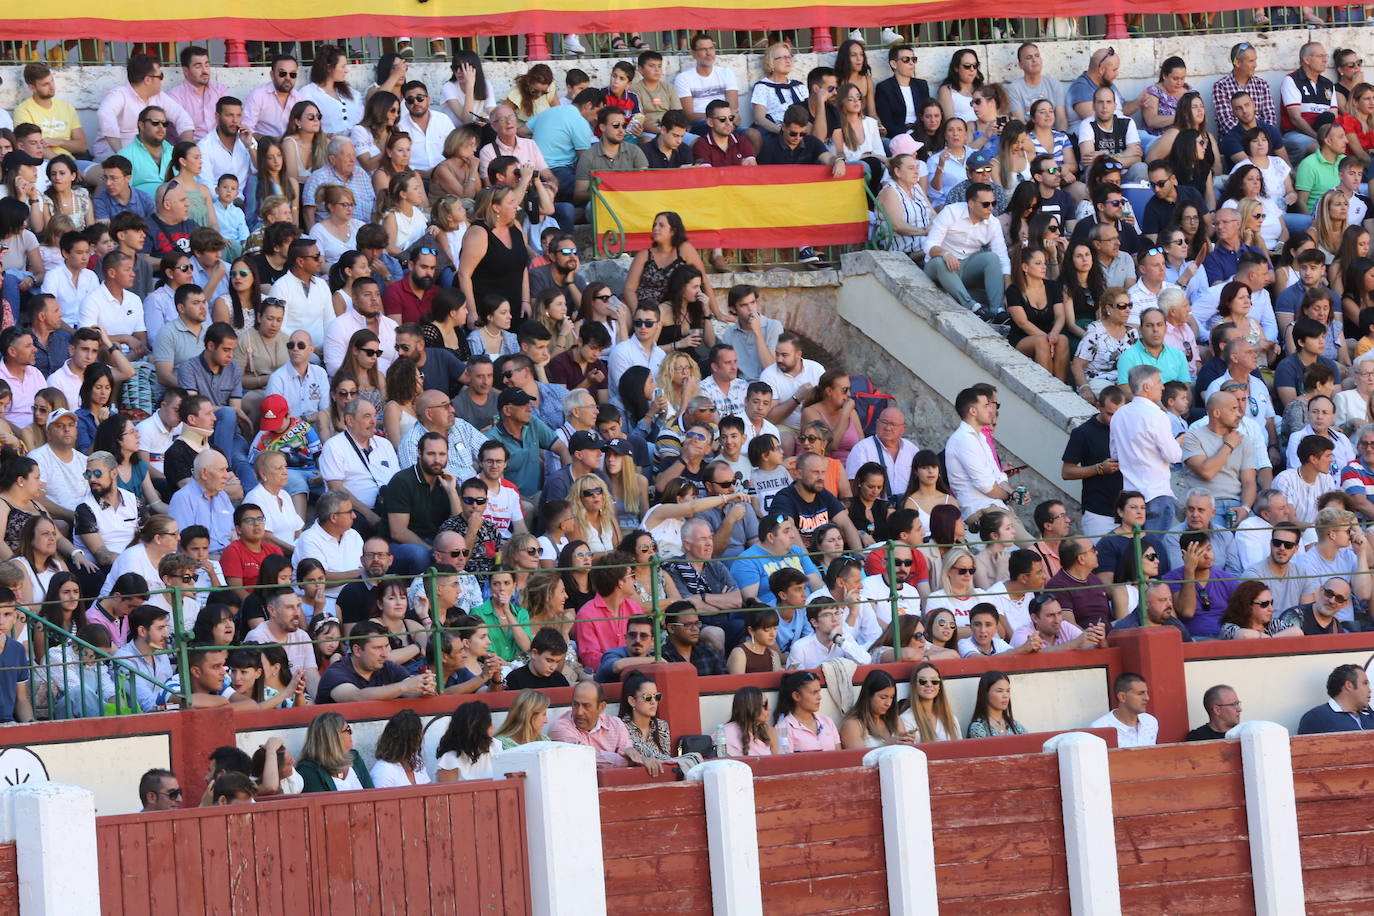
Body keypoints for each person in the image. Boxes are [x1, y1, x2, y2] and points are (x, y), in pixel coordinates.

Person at [924, 183, 1010, 317]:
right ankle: (973, 307)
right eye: (986, 204)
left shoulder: (993, 223)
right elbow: (929, 245)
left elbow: (1003, 258)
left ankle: (997, 311)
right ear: (971, 203)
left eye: (993, 203)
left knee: (992, 258)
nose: (991, 208)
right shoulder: (951, 212)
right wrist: (945, 254)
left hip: (966, 267)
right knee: (940, 262)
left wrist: (1008, 292)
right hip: (939, 267)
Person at [549, 680, 663, 772]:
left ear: (601, 707)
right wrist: (632, 761)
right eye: (575, 704)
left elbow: (628, 750)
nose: (579, 712)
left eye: (586, 706)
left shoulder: (616, 724)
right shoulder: (560, 727)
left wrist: (633, 757)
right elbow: (583, 756)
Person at [297, 711, 374, 792]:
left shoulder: (354, 758)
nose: (351, 733)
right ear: (332, 737)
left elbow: (372, 793)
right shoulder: (309, 770)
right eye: (348, 729)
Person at [435, 701, 503, 781]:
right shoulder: (449, 759)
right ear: (477, 727)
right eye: (488, 723)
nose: (493, 726)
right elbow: (447, 789)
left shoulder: (494, 745)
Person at [1297, 663, 1374, 734]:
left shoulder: (1370, 716)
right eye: (1365, 683)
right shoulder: (1316, 718)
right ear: (1349, 686)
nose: (1370, 690)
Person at [1090, 673, 1158, 748]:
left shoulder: (1150, 722)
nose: (1147, 698)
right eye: (1140, 693)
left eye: (1146, 693)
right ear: (1122, 697)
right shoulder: (1100, 728)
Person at [965, 669, 1027, 738]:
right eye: (999, 691)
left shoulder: (1015, 725)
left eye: (1008, 691)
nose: (1005, 696)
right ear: (985, 693)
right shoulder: (978, 727)